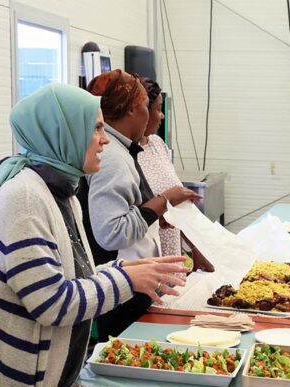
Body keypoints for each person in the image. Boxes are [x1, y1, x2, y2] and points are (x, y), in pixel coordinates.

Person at [0, 83, 188, 387]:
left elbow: (73, 277)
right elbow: (52, 302)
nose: (105, 140)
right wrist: (126, 277)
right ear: (64, 132)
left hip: (48, 385)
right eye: (95, 129)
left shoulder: (59, 189)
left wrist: (128, 269)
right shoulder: (24, 199)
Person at [79, 69, 200, 340]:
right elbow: (111, 233)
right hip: (124, 285)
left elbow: (126, 210)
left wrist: (155, 218)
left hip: (131, 279)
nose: (152, 115)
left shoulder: (123, 150)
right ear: (133, 110)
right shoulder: (113, 157)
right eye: (147, 106)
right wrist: (163, 202)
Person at [136, 76, 183, 257]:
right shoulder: (125, 154)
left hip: (171, 247)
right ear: (142, 112)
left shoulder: (157, 143)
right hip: (145, 254)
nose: (161, 115)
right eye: (158, 109)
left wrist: (196, 249)